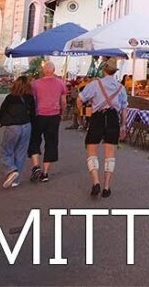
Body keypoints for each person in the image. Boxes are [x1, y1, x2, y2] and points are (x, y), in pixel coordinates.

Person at [78, 59, 128, 198]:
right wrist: (123, 125)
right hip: (113, 118)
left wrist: (82, 113)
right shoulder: (121, 87)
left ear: (104, 70)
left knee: (91, 150)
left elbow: (80, 99)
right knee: (109, 154)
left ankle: (96, 182)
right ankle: (106, 187)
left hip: (97, 118)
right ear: (114, 72)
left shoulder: (95, 84)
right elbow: (124, 108)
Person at [28, 62, 67, 183]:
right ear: (54, 70)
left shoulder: (35, 84)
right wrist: (62, 113)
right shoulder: (60, 83)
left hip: (38, 115)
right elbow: (64, 102)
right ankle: (45, 173)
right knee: (51, 143)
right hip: (54, 116)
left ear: (43, 71)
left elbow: (31, 100)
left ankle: (36, 166)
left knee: (34, 140)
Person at [0, 75, 34, 188]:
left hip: (12, 127)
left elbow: (2, 111)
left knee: (6, 150)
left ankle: (11, 170)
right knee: (20, 153)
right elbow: (33, 113)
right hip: (26, 126)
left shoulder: (10, 98)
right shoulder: (30, 98)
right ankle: (16, 181)